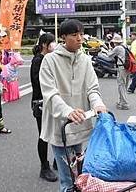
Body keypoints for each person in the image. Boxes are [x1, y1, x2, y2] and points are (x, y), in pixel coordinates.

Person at [39, 19, 107, 192]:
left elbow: (92, 88)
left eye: (81, 34)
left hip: (79, 123)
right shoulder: (49, 61)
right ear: (63, 37)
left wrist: (98, 104)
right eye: (74, 35)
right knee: (68, 179)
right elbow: (50, 93)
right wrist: (67, 111)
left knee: (80, 175)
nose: (80, 38)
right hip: (60, 126)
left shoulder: (85, 60)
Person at [30, 33, 58, 182]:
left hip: (51, 101)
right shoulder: (38, 60)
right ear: (44, 45)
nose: (54, 44)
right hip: (41, 103)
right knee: (44, 135)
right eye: (51, 42)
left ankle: (57, 161)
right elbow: (39, 83)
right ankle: (44, 167)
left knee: (55, 132)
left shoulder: (49, 59)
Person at [108, 34, 129, 110]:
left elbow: (109, 55)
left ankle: (125, 104)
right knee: (124, 86)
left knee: (121, 86)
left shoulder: (117, 48)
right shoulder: (125, 46)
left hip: (122, 68)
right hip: (127, 67)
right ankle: (121, 102)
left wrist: (110, 48)